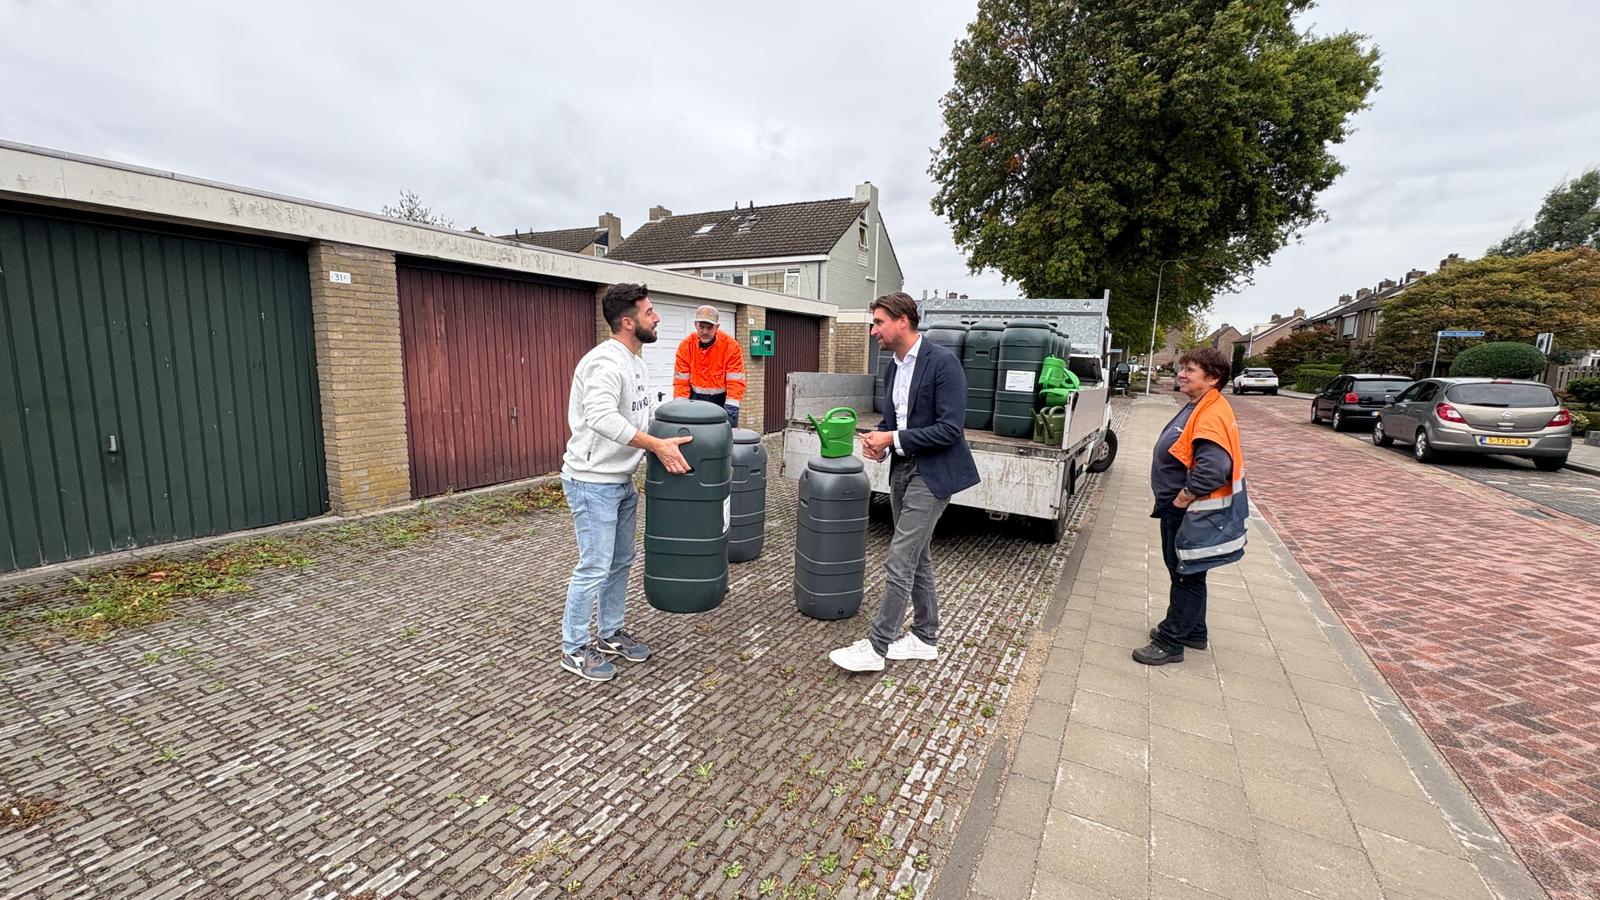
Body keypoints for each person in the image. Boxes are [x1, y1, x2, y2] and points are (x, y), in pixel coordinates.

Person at [830, 292, 980, 673]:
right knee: (917, 556)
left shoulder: (943, 363)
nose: (873, 330)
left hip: (933, 474)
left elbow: (950, 429)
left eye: (879, 322)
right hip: (902, 470)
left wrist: (893, 438)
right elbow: (895, 421)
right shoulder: (893, 367)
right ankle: (926, 637)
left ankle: (877, 646)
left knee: (900, 557)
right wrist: (880, 443)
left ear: (902, 321)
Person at [559, 283, 692, 683]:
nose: (657, 317)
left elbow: (639, 419)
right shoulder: (605, 362)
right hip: (591, 481)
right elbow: (601, 417)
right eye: (650, 312)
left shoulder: (636, 362)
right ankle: (573, 648)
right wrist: (655, 445)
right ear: (628, 322)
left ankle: (610, 632)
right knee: (594, 566)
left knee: (620, 562)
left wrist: (675, 435)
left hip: (620, 480)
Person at [1133, 346, 1249, 666]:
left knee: (1185, 574)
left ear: (1212, 378)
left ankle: (1171, 642)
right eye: (1182, 368)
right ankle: (1195, 631)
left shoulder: (1211, 414)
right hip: (1188, 508)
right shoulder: (1203, 404)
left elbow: (1213, 470)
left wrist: (1181, 498)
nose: (1181, 374)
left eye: (1190, 370)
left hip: (1191, 510)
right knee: (1191, 570)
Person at [674, 305, 746, 428]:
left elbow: (735, 383)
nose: (705, 332)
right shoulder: (686, 346)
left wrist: (731, 411)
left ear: (717, 327)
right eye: (701, 327)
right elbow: (681, 382)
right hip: (695, 400)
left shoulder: (731, 347)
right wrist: (680, 409)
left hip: (721, 402)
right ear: (695, 325)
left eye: (709, 327)